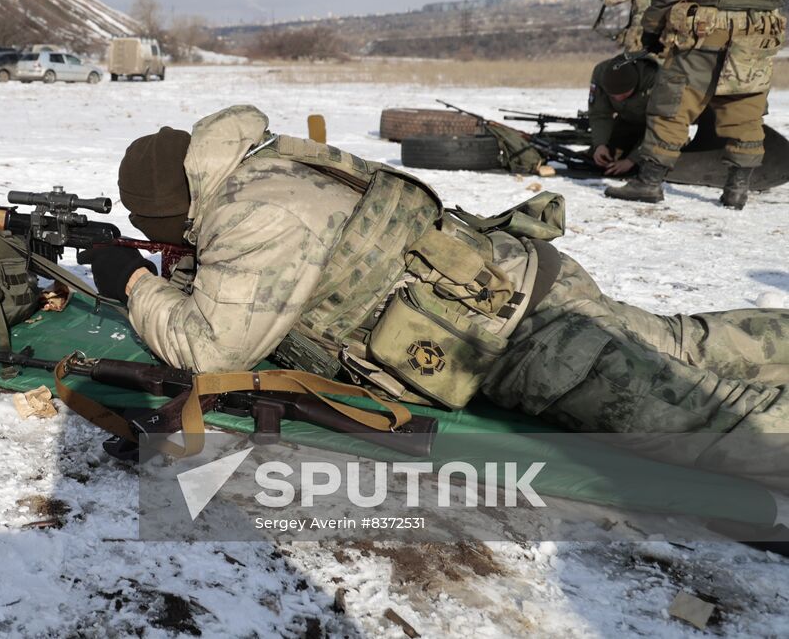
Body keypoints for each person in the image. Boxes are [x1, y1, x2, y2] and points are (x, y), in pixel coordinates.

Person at [86, 105, 789, 489]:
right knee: (680, 344)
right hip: (526, 279)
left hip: (527, 345)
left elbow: (211, 347)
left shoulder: (253, 215)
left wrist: (132, 282)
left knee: (717, 427)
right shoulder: (265, 163)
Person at [607, 0, 789, 208]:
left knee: (672, 106)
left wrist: (652, 30)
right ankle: (737, 190)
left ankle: (649, 183)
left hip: (703, 41)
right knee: (746, 113)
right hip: (756, 43)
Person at [587, 52, 659, 176]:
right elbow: (600, 114)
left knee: (652, 164)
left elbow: (662, 126)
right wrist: (600, 144)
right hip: (627, 121)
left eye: (624, 95)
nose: (618, 99)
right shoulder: (601, 73)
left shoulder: (658, 78)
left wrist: (631, 160)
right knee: (603, 155)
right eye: (613, 96)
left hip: (657, 127)